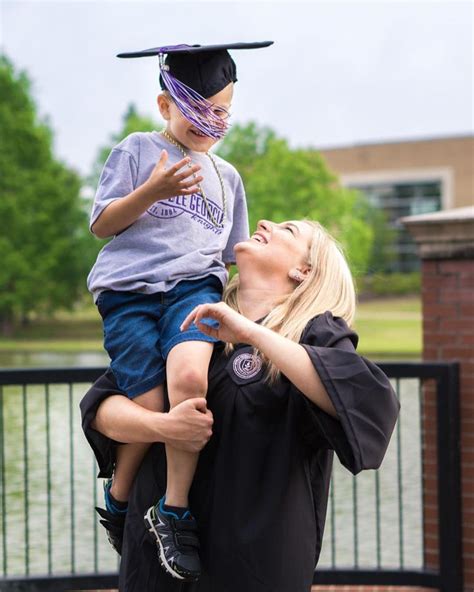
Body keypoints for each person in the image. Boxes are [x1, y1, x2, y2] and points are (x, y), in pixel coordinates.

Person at [81, 218, 400, 592]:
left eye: (288, 230)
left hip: (253, 567)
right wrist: (163, 427)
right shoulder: (186, 323)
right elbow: (102, 409)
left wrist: (251, 332)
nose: (264, 222)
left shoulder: (314, 333)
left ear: (304, 270)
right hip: (157, 565)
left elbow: (369, 404)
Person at [86, 42, 272, 581]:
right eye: (196, 109)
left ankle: (173, 510)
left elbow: (233, 258)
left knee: (188, 379)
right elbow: (102, 225)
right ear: (166, 105)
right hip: (130, 292)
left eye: (221, 113)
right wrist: (152, 190)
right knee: (151, 405)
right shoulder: (139, 150)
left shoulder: (227, 177)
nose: (208, 123)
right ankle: (120, 497)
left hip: (194, 287)